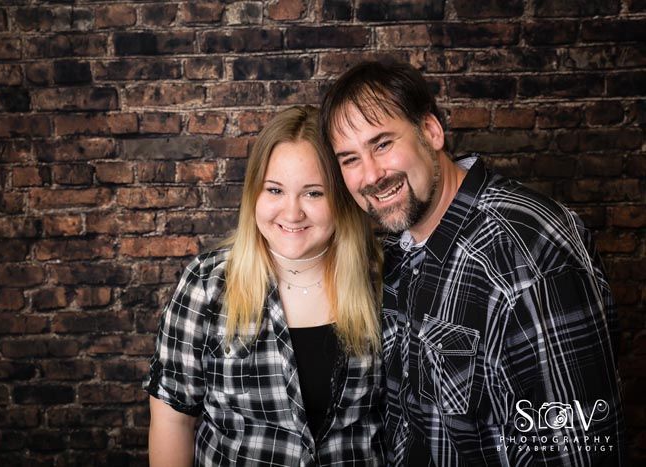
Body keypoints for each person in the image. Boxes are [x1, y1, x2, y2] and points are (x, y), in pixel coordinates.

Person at [319, 60, 625, 466]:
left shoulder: (526, 253)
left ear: (431, 131)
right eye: (350, 159)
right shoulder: (400, 248)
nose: (371, 175)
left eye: (382, 144)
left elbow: (576, 454)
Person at [144, 105, 386, 466]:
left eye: (314, 193)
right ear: (254, 193)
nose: (291, 213)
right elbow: (172, 420)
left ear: (342, 198)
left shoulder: (382, 281)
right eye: (274, 190)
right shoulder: (207, 285)